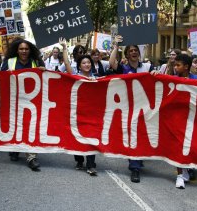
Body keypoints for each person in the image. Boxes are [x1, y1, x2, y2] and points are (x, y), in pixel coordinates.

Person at [109, 35, 154, 183]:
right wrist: (116, 45)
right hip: (128, 108)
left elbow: (157, 81)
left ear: (139, 54)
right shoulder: (123, 68)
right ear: (127, 54)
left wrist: (155, 74)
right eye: (131, 51)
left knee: (142, 135)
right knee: (132, 135)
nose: (134, 52)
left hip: (145, 107)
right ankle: (134, 167)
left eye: (136, 50)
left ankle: (138, 159)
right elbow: (111, 63)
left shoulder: (147, 67)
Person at [0, 38, 45, 171]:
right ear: (17, 50)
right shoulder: (9, 62)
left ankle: (31, 157)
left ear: (30, 50)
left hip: (32, 103)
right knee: (16, 127)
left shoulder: (36, 62)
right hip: (13, 101)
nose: (24, 51)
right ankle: (15, 149)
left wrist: (43, 71)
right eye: (21, 49)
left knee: (30, 127)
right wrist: (5, 75)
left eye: (26, 49)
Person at [60, 37, 98, 176]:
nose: (87, 64)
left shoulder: (97, 78)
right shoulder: (75, 77)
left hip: (92, 114)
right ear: (80, 65)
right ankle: (79, 160)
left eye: (89, 62)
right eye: (84, 63)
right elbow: (67, 65)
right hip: (77, 112)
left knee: (91, 138)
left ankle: (90, 164)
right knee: (77, 137)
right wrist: (64, 48)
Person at [172, 54, 197, 189]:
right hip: (177, 118)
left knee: (190, 145)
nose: (175, 67)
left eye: (178, 65)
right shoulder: (171, 79)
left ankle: (187, 169)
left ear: (186, 67)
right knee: (178, 146)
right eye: (174, 65)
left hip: (192, 118)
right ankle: (179, 176)